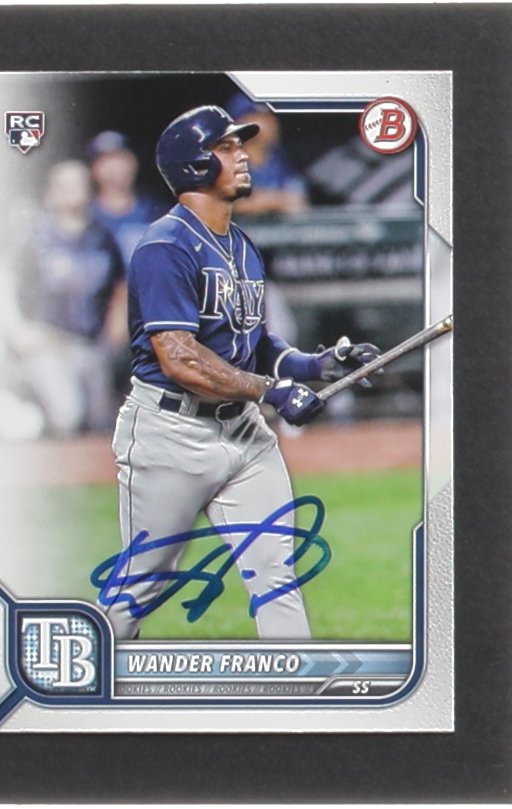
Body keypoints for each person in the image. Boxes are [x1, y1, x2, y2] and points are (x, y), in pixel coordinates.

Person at [101, 106, 379, 640]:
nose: (243, 155)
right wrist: (273, 391)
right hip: (172, 433)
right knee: (140, 587)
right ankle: (84, 677)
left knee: (275, 575)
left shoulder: (240, 245)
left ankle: (293, 688)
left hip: (244, 434)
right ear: (194, 164)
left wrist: (315, 364)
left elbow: (254, 343)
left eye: (238, 146)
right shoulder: (165, 246)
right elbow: (180, 357)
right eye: (226, 148)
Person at [18, 160, 128, 435]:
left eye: (80, 184)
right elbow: (0, 282)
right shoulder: (35, 239)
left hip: (91, 344)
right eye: (65, 186)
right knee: (67, 417)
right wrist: (18, 329)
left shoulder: (102, 236)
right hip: (49, 343)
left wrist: (117, 319)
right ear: (50, 193)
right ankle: (18, 399)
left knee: (100, 422)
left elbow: (121, 283)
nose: (74, 191)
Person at [87, 130, 164, 265]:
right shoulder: (86, 216)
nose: (116, 167)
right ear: (94, 168)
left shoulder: (157, 214)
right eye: (107, 160)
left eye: (121, 158)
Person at [226, 92, 309, 216]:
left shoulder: (279, 159)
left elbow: (298, 200)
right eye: (259, 116)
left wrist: (265, 201)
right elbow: (227, 204)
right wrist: (273, 201)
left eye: (268, 116)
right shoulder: (227, 161)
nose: (270, 122)